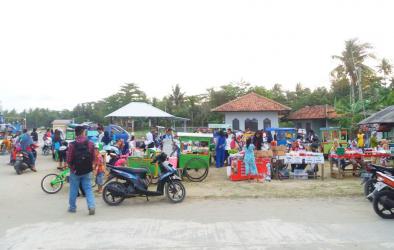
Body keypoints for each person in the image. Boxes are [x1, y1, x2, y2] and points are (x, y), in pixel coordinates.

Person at [66, 126, 96, 215]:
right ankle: (91, 206)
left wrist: (71, 167)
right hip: (87, 170)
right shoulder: (90, 143)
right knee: (88, 189)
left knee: (73, 189)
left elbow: (68, 159)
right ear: (83, 132)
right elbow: (93, 157)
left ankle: (72, 208)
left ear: (76, 133)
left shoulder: (72, 144)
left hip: (75, 171)